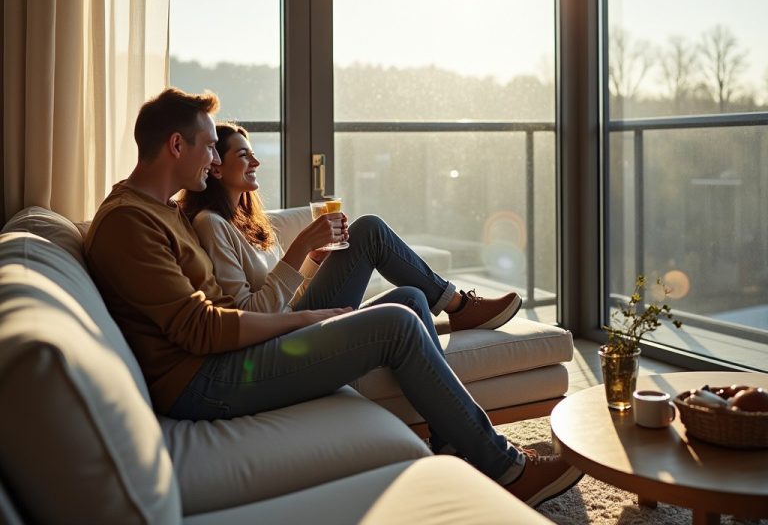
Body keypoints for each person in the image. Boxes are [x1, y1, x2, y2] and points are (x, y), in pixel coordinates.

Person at [84, 87, 582, 508]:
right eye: (210, 147)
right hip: (205, 381)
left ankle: (457, 443)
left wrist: (308, 303)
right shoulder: (129, 222)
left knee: (404, 299)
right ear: (176, 145)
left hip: (225, 358)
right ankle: (505, 469)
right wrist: (306, 319)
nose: (215, 159)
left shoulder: (161, 211)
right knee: (396, 322)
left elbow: (218, 312)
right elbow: (205, 328)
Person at [176, 122, 522, 340]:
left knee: (413, 299)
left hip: (296, 316)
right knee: (369, 229)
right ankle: (458, 306)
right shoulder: (212, 224)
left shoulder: (248, 221)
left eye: (253, 154)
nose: (256, 162)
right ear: (217, 168)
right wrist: (299, 247)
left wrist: (311, 260)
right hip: (282, 338)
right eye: (243, 155)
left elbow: (289, 296)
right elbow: (249, 316)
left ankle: (444, 426)